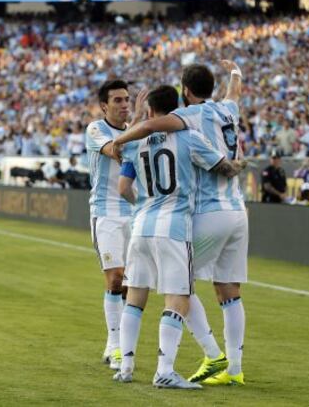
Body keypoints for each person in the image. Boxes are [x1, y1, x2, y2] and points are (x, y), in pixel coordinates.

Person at [112, 60, 248, 386]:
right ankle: (234, 369)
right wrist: (236, 72)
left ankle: (207, 354)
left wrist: (121, 137)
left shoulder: (184, 121)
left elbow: (147, 130)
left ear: (185, 91)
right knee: (227, 290)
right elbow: (235, 94)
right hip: (237, 209)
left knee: (175, 288)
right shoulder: (228, 109)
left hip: (190, 215)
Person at [85, 80, 133, 371]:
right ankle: (114, 346)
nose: (124, 104)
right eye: (117, 100)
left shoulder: (137, 130)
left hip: (135, 211)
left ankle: (122, 342)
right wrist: (140, 127)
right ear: (104, 106)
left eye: (127, 99)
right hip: (105, 212)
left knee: (131, 285)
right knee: (115, 278)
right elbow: (115, 151)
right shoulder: (95, 129)